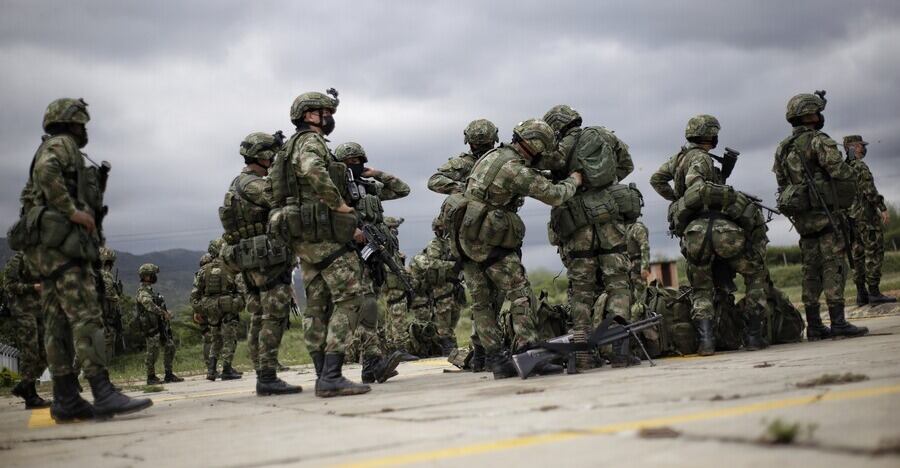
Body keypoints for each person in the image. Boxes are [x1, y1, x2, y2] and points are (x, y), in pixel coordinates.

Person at [11, 97, 151, 421]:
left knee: (56, 323)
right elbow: (48, 171)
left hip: (46, 252)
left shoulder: (51, 145)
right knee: (86, 315)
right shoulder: (62, 145)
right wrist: (72, 211)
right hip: (63, 249)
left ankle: (65, 398)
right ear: (72, 123)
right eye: (81, 124)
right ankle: (102, 391)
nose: (84, 129)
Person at [447, 118, 581, 379]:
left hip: (464, 237)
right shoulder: (514, 169)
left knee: (482, 302)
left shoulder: (493, 155)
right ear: (534, 146)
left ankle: (498, 361)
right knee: (519, 292)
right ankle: (529, 354)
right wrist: (574, 181)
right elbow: (553, 195)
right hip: (488, 240)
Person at [268, 90, 370, 397]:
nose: (330, 118)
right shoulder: (310, 142)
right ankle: (332, 374)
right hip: (324, 235)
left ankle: (321, 374)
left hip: (304, 237)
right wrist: (338, 205)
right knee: (351, 296)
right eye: (326, 112)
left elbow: (273, 189)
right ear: (311, 115)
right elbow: (314, 170)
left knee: (316, 304)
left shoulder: (287, 148)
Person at [651, 114, 771, 355]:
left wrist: (677, 199)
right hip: (721, 231)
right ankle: (753, 335)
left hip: (694, 234)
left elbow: (656, 179)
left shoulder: (678, 158)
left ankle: (706, 342)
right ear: (712, 136)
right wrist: (723, 194)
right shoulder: (701, 158)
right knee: (756, 273)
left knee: (701, 289)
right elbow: (698, 186)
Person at [540, 104, 634, 369]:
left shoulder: (557, 149)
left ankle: (582, 354)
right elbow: (627, 165)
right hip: (609, 216)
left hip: (575, 222)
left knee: (581, 290)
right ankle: (620, 350)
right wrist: (602, 184)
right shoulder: (605, 135)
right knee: (618, 283)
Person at [773, 92, 868, 340]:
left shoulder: (782, 148)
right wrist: (850, 163)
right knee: (833, 267)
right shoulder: (819, 141)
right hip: (827, 216)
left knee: (810, 271)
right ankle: (838, 322)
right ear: (811, 115)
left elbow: (781, 183)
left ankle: (814, 325)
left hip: (803, 220)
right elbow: (840, 173)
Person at [219, 131, 300, 395]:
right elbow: (276, 197)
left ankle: (262, 372)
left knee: (258, 315)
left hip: (252, 258)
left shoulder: (239, 183)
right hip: (266, 260)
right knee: (273, 315)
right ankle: (267, 374)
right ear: (264, 156)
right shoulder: (251, 184)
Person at [334, 141, 412, 383]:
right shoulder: (336, 190)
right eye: (348, 163)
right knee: (366, 305)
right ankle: (370, 361)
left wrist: (377, 174)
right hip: (352, 253)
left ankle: (371, 365)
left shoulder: (369, 187)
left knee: (372, 304)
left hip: (374, 254)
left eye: (358, 161)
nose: (354, 166)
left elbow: (403, 190)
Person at [844, 135, 895, 305]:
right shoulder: (859, 166)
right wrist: (882, 208)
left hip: (851, 219)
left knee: (857, 255)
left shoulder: (843, 167)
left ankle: (861, 294)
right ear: (851, 147)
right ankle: (874, 292)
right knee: (873, 252)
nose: (863, 148)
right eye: (860, 146)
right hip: (866, 217)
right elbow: (869, 190)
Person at [190, 239, 244, 381]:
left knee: (216, 340)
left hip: (211, 312)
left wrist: (202, 309)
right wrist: (236, 303)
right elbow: (241, 290)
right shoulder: (231, 269)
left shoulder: (203, 271)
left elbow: (195, 296)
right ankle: (227, 369)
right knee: (229, 339)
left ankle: (211, 371)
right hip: (228, 310)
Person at [2, 252, 51, 409]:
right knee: (31, 352)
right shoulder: (17, 259)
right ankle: (31, 396)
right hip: (22, 311)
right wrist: (33, 287)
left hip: (39, 311)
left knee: (45, 352)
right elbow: (8, 285)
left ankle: (24, 385)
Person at [136, 263, 182, 385]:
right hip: (151, 327)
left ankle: (169, 374)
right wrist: (163, 313)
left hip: (159, 325)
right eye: (152, 275)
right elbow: (149, 305)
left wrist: (165, 313)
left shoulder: (150, 291)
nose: (154, 277)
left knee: (170, 346)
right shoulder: (143, 292)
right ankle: (150, 377)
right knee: (153, 351)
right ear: (146, 276)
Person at [427, 119, 499, 195]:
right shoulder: (463, 163)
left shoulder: (503, 160)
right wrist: (467, 189)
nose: (481, 148)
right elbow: (434, 181)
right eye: (477, 145)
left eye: (486, 145)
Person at [98, 247, 123, 360]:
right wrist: (117, 296)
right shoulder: (106, 277)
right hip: (104, 317)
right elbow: (109, 296)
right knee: (107, 341)